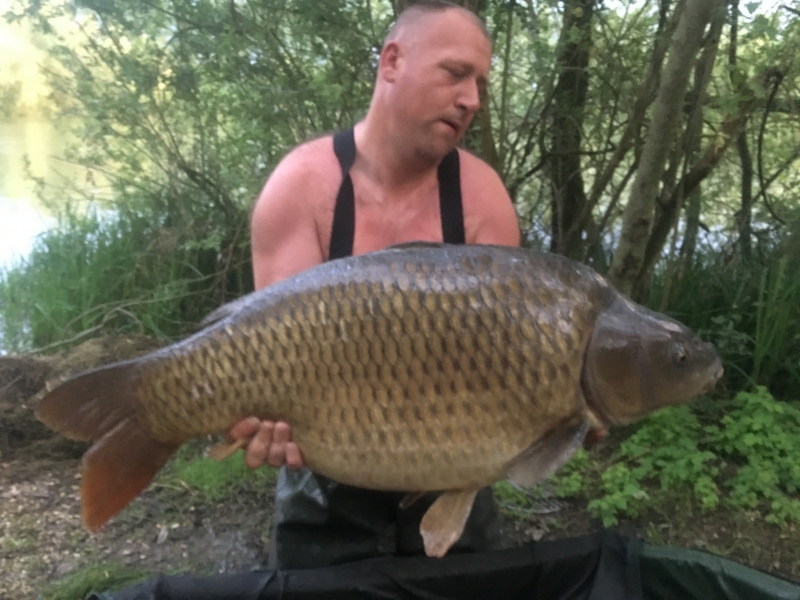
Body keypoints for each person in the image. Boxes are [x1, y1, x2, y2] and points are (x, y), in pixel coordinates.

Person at [227, 1, 520, 570]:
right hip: (325, 481)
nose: (473, 100)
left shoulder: (482, 197)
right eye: (456, 73)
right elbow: (270, 363)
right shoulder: (302, 186)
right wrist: (262, 421)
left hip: (457, 475)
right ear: (391, 62)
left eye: (480, 83)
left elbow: (508, 362)